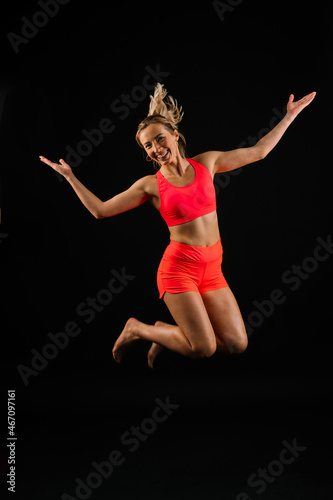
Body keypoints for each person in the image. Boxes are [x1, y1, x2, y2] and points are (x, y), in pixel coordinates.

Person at [39, 84, 316, 368]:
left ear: (175, 135)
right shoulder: (150, 186)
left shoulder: (207, 163)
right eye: (148, 146)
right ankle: (138, 329)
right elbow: (100, 211)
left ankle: (163, 334)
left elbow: (259, 151)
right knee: (204, 348)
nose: (156, 149)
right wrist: (71, 177)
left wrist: (289, 116)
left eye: (160, 139)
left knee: (236, 344)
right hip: (179, 270)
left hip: (212, 268)